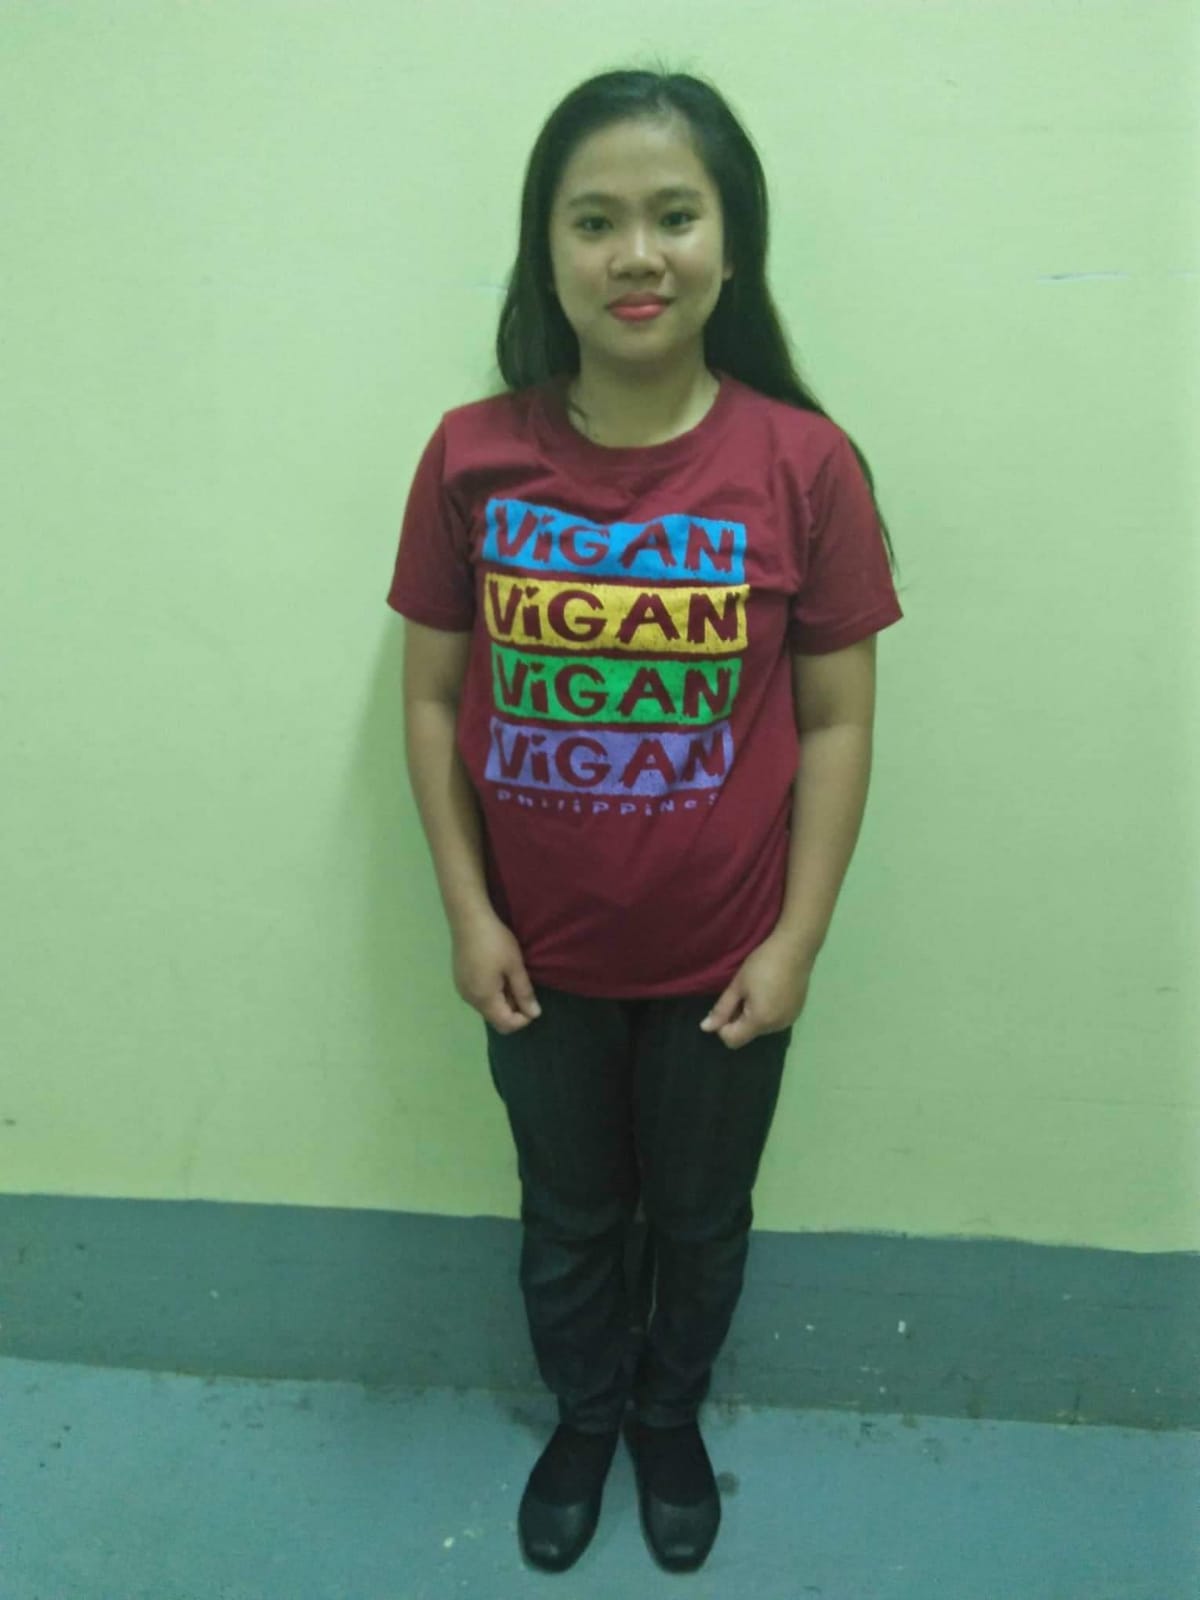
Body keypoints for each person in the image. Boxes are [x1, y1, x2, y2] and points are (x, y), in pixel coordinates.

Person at [386, 65, 904, 1576]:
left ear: (731, 246)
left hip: (727, 964)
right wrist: (468, 913)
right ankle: (586, 1416)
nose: (637, 254)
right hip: (535, 959)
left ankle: (668, 1420)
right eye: (594, 219)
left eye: (676, 216)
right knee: (566, 1214)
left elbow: (838, 722)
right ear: (545, 247)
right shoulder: (470, 455)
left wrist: (798, 944)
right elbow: (430, 700)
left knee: (699, 1215)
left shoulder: (804, 466)